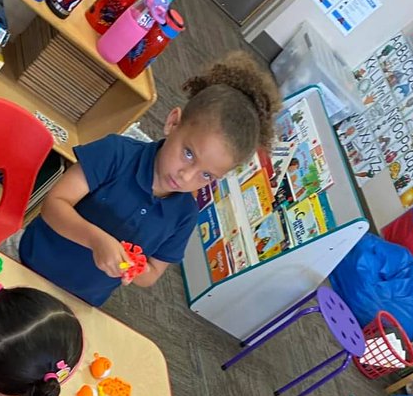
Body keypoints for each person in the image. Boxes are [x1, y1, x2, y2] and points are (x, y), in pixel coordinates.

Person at [18, 51, 280, 307]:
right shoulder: (115, 153)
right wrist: (96, 240)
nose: (186, 176)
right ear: (173, 122)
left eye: (207, 175)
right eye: (188, 154)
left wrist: (132, 268)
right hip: (25, 261)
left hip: (80, 301)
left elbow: (153, 272)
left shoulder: (185, 214)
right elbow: (54, 204)